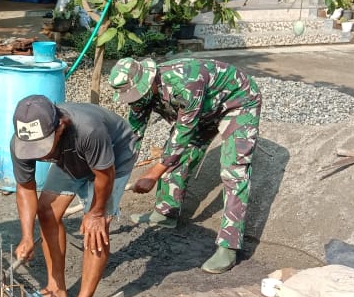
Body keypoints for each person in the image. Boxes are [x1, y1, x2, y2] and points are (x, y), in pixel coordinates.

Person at [107, 57, 262, 274]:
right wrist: (111, 179)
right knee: (177, 160)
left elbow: (180, 140)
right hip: (201, 109)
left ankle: (229, 246)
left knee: (233, 171)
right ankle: (165, 214)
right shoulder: (140, 95)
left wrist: (152, 175)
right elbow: (132, 137)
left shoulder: (186, 82)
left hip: (237, 103)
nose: (135, 100)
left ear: (149, 82)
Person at [10, 94, 138, 297]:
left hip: (114, 157)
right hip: (70, 156)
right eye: (33, 148)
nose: (38, 154)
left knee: (95, 230)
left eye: (42, 146)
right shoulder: (22, 140)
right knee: (47, 212)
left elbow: (104, 174)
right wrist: (27, 236)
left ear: (60, 127)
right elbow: (25, 188)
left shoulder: (88, 130)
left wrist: (97, 213)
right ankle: (56, 291)